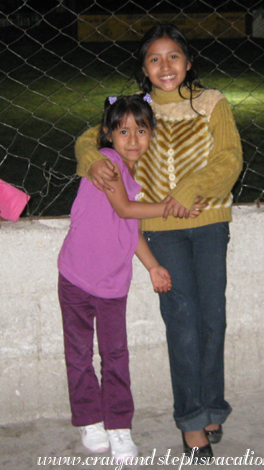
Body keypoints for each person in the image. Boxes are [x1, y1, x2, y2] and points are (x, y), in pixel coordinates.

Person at [75, 24, 243, 461]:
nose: (165, 66)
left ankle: (213, 407)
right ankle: (191, 422)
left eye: (173, 57)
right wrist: (92, 161)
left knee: (214, 320)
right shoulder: (139, 109)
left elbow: (229, 157)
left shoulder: (211, 103)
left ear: (188, 62)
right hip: (160, 229)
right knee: (183, 321)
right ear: (144, 68)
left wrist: (193, 189)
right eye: (154, 58)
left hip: (208, 222)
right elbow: (89, 139)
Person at [58, 95, 202, 464]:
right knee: (78, 354)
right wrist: (174, 207)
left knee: (115, 356)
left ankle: (118, 426)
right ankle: (89, 418)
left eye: (141, 130)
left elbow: (129, 226)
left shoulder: (131, 178)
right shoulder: (105, 164)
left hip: (111, 285)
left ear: (152, 134)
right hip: (75, 277)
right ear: (107, 134)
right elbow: (124, 208)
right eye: (123, 131)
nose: (133, 139)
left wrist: (152, 266)